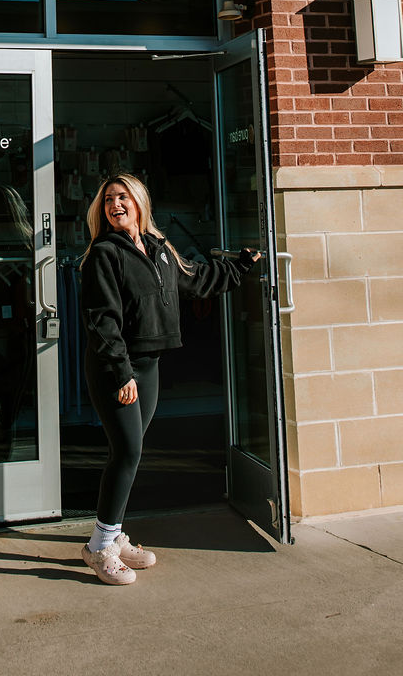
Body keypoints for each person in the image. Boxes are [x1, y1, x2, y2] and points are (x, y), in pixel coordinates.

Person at [78, 173, 261, 586]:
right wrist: (121, 372)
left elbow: (198, 280)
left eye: (123, 197)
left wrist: (242, 265)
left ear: (140, 202)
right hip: (117, 369)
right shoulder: (104, 254)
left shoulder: (160, 249)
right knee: (125, 454)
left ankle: (113, 533)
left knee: (132, 453)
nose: (115, 205)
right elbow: (102, 321)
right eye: (108, 199)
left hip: (150, 366)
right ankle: (99, 547)